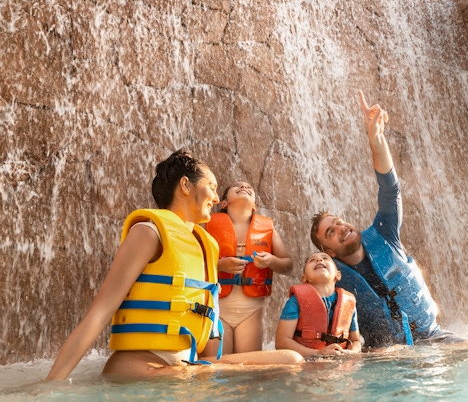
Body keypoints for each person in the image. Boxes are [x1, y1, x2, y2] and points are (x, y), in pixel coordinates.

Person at [46, 149, 302, 380]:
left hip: (186, 364)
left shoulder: (206, 246)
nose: (215, 197)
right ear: (185, 185)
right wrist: (51, 385)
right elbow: (99, 313)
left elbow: (208, 327)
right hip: (145, 366)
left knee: (290, 360)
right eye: (211, 187)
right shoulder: (148, 232)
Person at [310, 90, 466, 348]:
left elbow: (390, 189)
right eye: (331, 232)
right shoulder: (333, 279)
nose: (340, 228)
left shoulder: (385, 233)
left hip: (435, 338)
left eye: (338, 222)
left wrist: (376, 137)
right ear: (329, 252)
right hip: (385, 356)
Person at [200, 181, 293, 356]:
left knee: (248, 372)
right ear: (224, 203)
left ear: (255, 207)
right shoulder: (207, 224)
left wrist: (271, 260)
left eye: (248, 187)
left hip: (251, 312)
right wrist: (219, 265)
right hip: (217, 308)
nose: (244, 187)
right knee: (217, 368)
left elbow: (287, 265)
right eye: (237, 186)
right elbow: (192, 259)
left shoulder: (268, 229)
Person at [275, 252, 361, 358]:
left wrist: (352, 352)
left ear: (338, 275)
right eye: (312, 260)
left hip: (340, 362)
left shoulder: (349, 302)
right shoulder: (295, 301)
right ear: (304, 278)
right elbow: (281, 342)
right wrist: (317, 354)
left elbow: (356, 341)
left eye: (325, 258)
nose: (319, 260)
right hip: (307, 362)